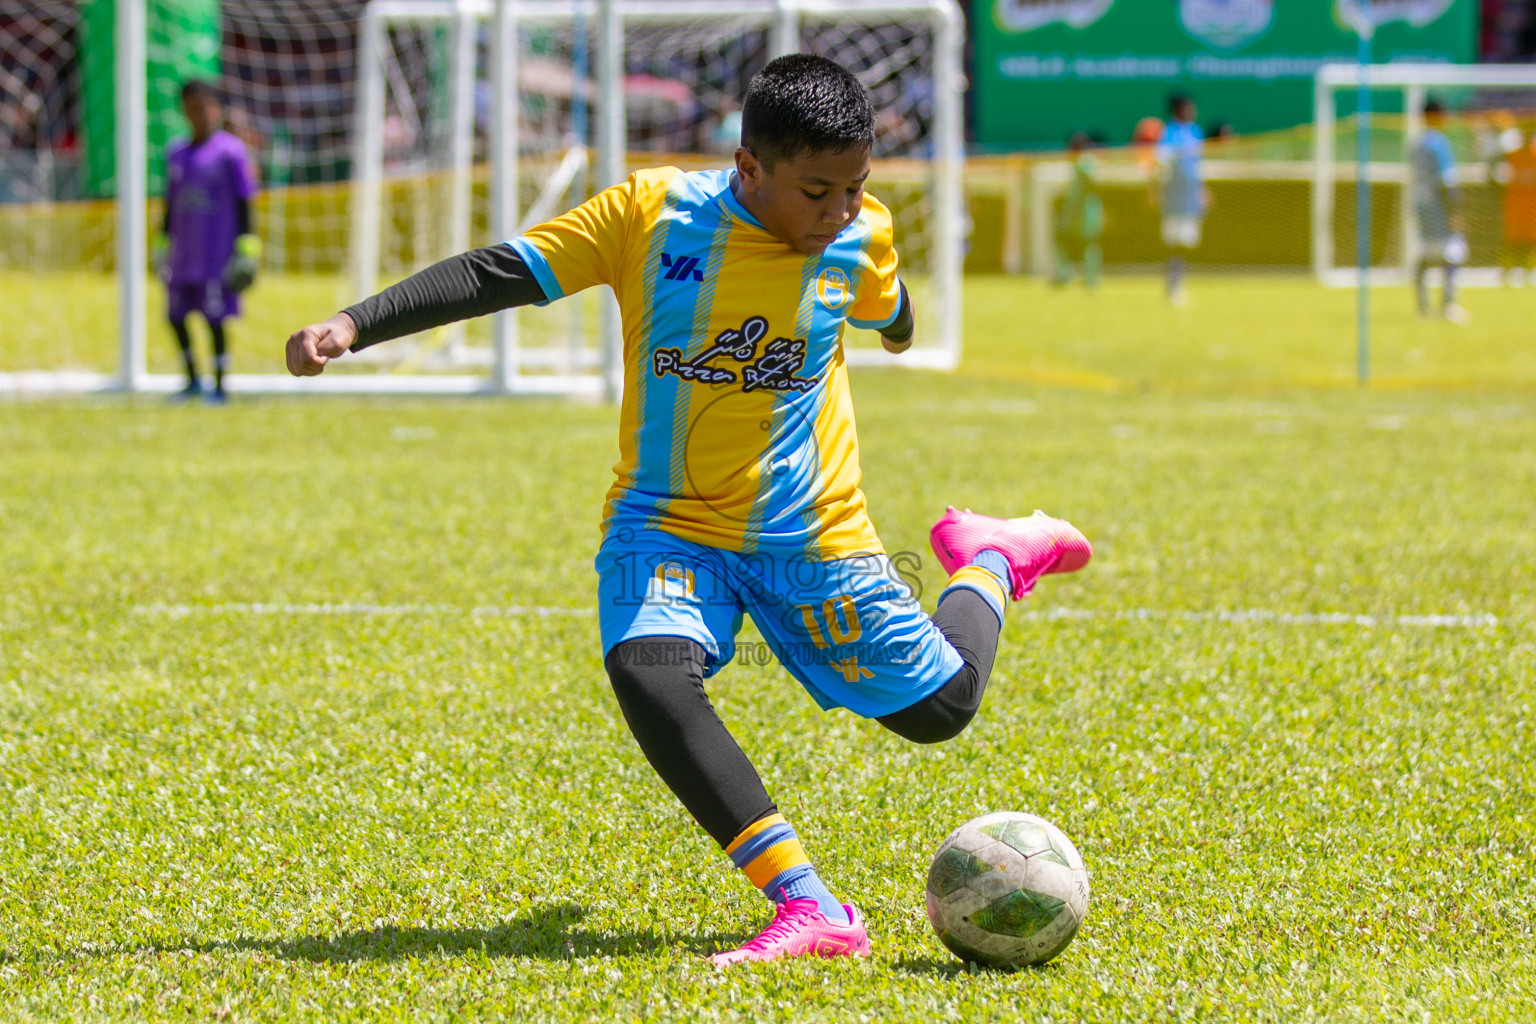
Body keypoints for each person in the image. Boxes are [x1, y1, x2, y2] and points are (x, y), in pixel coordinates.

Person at [284, 54, 1092, 967]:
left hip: (810, 529)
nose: (838, 211)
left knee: (941, 711)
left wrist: (899, 324)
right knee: (647, 669)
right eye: (817, 190)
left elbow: (886, 300)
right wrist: (352, 325)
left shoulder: (859, 231)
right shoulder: (649, 213)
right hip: (666, 519)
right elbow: (498, 271)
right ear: (749, 168)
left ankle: (994, 556)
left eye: (855, 187)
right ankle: (810, 904)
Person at [155, 80, 260, 403]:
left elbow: (245, 203)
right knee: (175, 316)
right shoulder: (176, 153)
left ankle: (219, 386)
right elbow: (170, 204)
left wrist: (247, 248)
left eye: (204, 107)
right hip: (184, 253)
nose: (198, 115)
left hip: (217, 253)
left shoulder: (231, 152)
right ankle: (191, 381)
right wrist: (161, 246)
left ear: (216, 109)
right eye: (191, 109)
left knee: (215, 319)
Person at [1410, 98, 1468, 322]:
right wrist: (1455, 212)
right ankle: (1449, 305)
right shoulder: (1439, 143)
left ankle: (1423, 307)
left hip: (1421, 205)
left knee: (1425, 253)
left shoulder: (1416, 144)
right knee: (1453, 253)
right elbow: (1446, 182)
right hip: (1439, 206)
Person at [1153, 94, 1207, 306]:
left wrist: (1202, 189)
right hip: (1173, 197)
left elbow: (1198, 166)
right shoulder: (1168, 133)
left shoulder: (1196, 132)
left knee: (1188, 241)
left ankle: (1181, 282)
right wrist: (1156, 188)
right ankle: (1172, 284)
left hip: (1190, 197)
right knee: (1172, 242)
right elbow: (1161, 165)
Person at [1053, 131, 1104, 289]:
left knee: (1088, 244)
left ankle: (1090, 279)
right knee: (1065, 242)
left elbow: (1091, 183)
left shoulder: (1085, 161)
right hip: (1077, 211)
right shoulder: (1076, 162)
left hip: (1085, 212)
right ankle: (1066, 275)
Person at [1495, 128, 1536, 285]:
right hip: (1515, 204)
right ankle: (1506, 272)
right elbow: (1495, 167)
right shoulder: (1512, 156)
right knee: (1512, 240)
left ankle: (1529, 273)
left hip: (1533, 206)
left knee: (1533, 240)